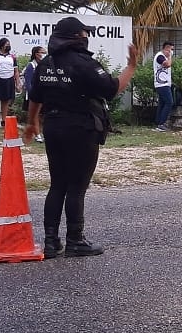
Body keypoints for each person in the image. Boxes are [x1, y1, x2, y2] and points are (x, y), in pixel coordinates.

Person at [27, 16, 139, 258]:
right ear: (78, 36)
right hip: (80, 129)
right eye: (85, 33)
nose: (87, 37)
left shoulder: (45, 63)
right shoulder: (84, 63)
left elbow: (35, 97)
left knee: (57, 184)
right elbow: (110, 89)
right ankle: (75, 240)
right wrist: (131, 67)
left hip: (54, 128)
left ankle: (50, 241)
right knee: (77, 187)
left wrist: (31, 123)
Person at [22, 46, 47, 142]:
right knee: (35, 114)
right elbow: (28, 82)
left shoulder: (45, 65)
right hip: (33, 95)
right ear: (36, 54)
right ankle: (37, 135)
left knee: (41, 115)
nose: (44, 54)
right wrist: (32, 94)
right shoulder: (31, 65)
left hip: (43, 95)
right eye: (42, 52)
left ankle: (37, 132)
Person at [153, 40, 175, 131]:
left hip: (165, 83)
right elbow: (168, 65)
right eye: (170, 50)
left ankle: (158, 122)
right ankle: (162, 123)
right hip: (162, 84)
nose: (171, 52)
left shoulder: (164, 56)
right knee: (169, 102)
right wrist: (169, 56)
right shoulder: (160, 56)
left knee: (162, 103)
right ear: (166, 48)